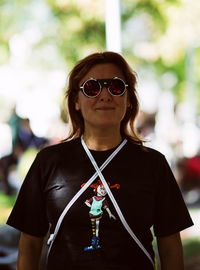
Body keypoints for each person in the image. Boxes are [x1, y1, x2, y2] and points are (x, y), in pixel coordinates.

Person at [7, 51, 193, 270]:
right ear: (76, 101)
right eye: (92, 88)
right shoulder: (49, 161)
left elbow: (170, 243)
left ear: (128, 100)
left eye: (115, 87)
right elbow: (29, 243)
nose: (105, 95)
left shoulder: (154, 164)